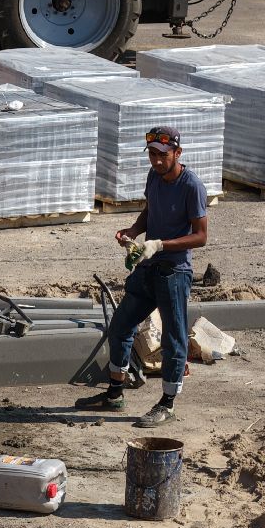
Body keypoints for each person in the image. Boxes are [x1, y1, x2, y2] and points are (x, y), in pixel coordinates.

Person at [75, 125, 208, 428]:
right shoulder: (155, 176)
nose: (157, 160)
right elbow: (151, 209)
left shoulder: (192, 186)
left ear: (177, 153)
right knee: (121, 326)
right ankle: (115, 392)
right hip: (148, 268)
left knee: (174, 339)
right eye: (152, 154)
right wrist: (134, 233)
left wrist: (160, 244)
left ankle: (167, 403)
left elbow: (200, 236)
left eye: (163, 155)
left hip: (174, 272)